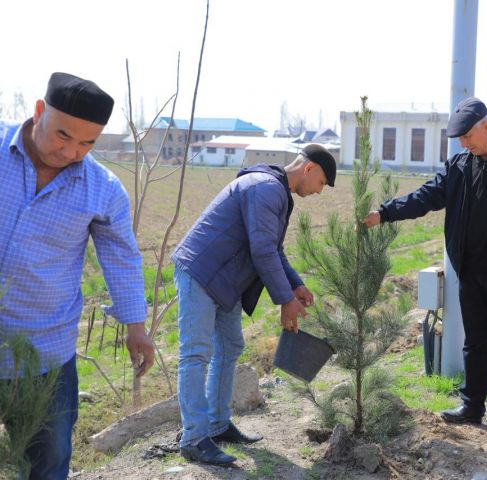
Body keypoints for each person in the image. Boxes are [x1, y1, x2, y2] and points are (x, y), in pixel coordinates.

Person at [362, 97, 487, 442]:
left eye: (468, 136)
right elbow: (426, 196)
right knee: (475, 342)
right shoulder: (459, 165)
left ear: (486, 126)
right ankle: (472, 405)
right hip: (470, 269)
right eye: (460, 139)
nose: (464, 144)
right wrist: (385, 213)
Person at [0, 72, 155, 479]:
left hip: (45, 349)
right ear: (39, 112)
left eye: (87, 143)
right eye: (63, 135)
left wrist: (136, 326)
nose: (71, 152)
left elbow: (121, 257)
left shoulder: (102, 189)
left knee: (48, 460)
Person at [171, 144, 336, 465]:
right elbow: (262, 250)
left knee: (230, 345)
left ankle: (218, 424)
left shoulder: (275, 190)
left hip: (224, 279)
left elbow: (272, 248)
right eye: (321, 183)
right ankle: (194, 438)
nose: (319, 191)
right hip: (201, 271)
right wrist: (285, 300)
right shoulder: (265, 188)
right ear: (309, 169)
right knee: (195, 353)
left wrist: (295, 284)